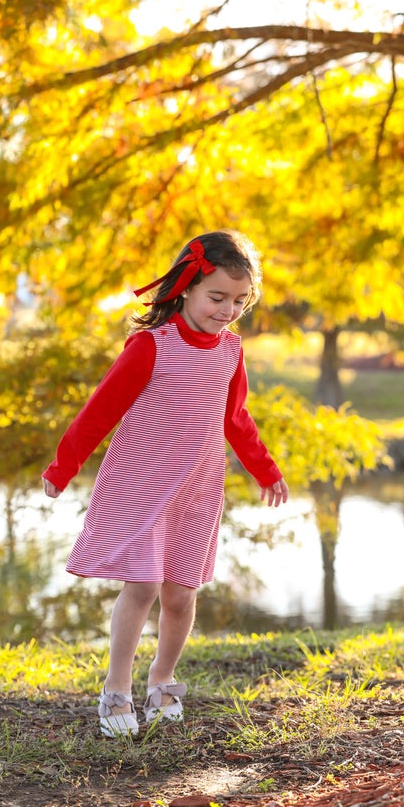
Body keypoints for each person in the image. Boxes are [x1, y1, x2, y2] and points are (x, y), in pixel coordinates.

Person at [42, 230, 289, 738]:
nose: (227, 310)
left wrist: (265, 469)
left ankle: (163, 679)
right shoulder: (151, 345)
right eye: (216, 297)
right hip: (141, 483)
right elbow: (100, 411)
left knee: (180, 592)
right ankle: (116, 687)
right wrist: (61, 468)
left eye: (239, 301)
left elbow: (236, 419)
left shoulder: (229, 352)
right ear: (185, 288)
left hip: (197, 490)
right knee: (144, 585)